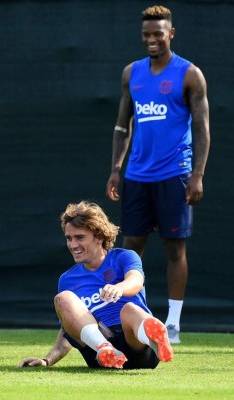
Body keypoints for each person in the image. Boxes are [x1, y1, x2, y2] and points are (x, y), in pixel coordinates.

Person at [106, 5, 210, 344]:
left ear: (171, 34)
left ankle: (174, 324)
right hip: (137, 176)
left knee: (174, 248)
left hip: (175, 175)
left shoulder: (189, 74)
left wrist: (197, 174)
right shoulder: (131, 73)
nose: (152, 40)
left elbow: (202, 129)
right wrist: (116, 170)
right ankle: (131, 316)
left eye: (158, 34)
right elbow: (123, 126)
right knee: (130, 246)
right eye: (146, 35)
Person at [18, 201, 173, 370]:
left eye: (80, 237)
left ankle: (155, 339)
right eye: (69, 238)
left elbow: (136, 280)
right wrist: (47, 360)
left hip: (136, 345)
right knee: (63, 299)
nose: (72, 245)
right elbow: (69, 327)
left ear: (99, 236)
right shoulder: (67, 279)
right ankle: (105, 349)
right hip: (97, 349)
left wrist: (119, 288)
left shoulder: (125, 257)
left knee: (130, 309)